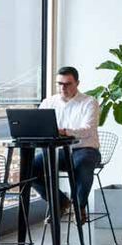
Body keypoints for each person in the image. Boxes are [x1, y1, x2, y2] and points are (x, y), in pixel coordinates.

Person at [31, 66, 101, 222]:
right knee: (29, 168)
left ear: (77, 83)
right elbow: (38, 125)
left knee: (83, 162)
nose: (63, 88)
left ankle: (79, 206)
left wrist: (64, 131)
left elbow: (88, 130)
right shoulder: (48, 102)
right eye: (60, 84)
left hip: (85, 149)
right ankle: (60, 202)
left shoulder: (89, 102)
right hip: (58, 151)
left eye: (68, 84)